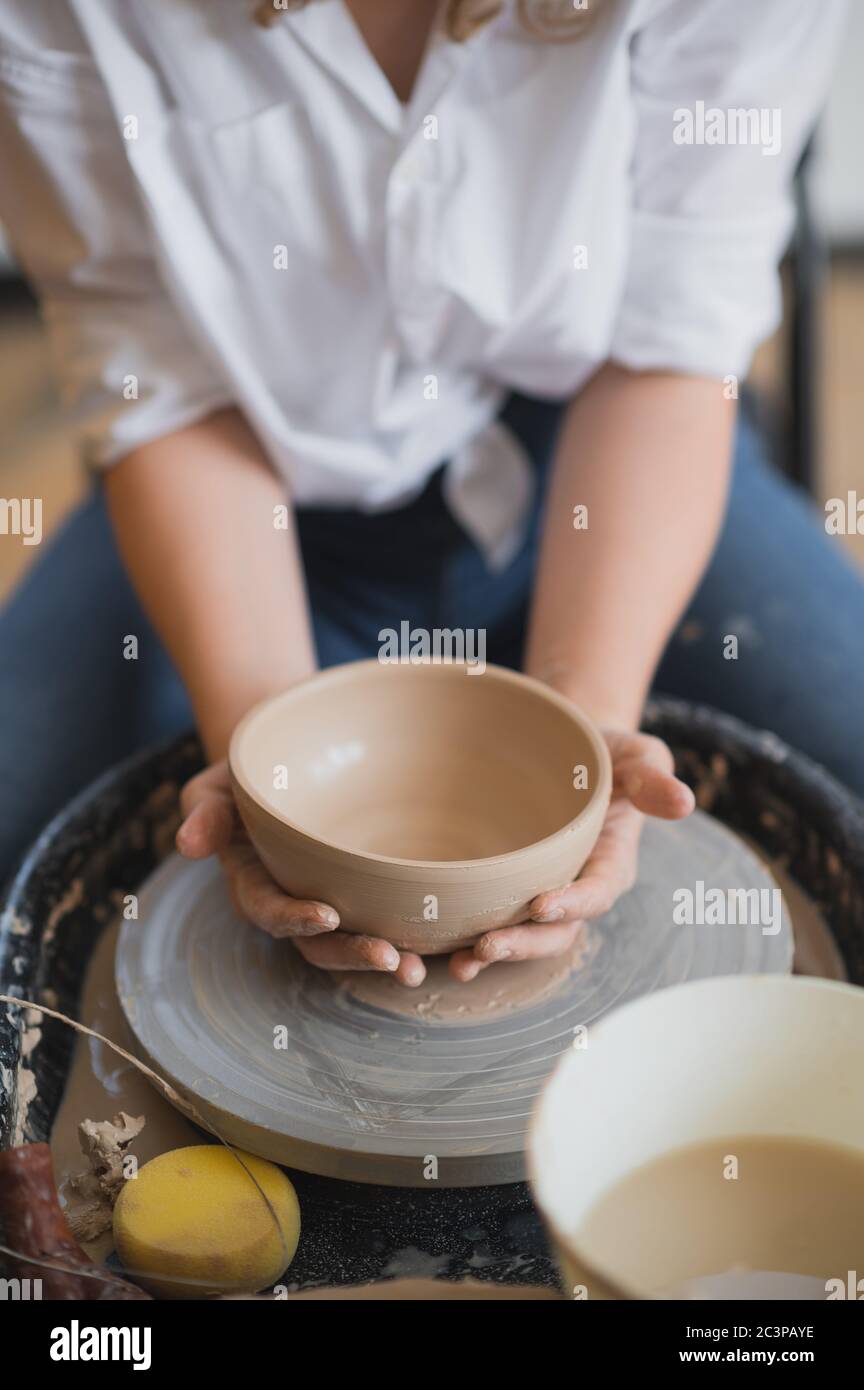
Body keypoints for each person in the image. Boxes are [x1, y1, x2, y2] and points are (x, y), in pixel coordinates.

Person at [0, 0, 858, 990]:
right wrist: (275, 770)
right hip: (247, 487)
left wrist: (576, 756)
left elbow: (669, 348)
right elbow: (156, 377)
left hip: (598, 458)